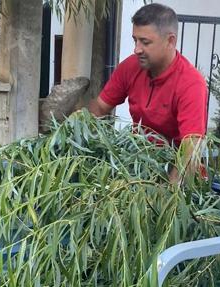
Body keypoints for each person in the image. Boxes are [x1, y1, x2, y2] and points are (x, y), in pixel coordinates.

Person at [88, 3, 208, 181]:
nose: (137, 49)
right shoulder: (130, 67)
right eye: (135, 40)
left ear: (170, 41)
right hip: (138, 163)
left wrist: (167, 195)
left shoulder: (191, 84)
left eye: (145, 42)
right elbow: (98, 108)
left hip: (176, 168)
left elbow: (190, 150)